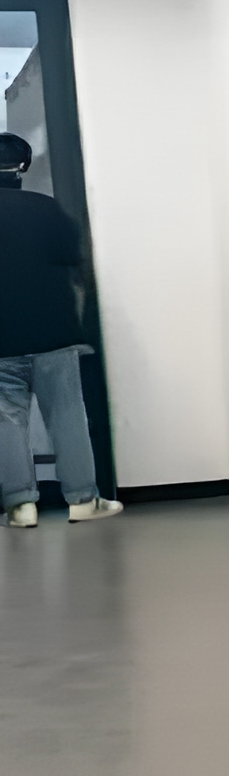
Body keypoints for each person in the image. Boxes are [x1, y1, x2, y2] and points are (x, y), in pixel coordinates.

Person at [0, 132, 120, 528]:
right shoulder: (46, 208)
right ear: (22, 168)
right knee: (68, 416)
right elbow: (75, 261)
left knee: (6, 422)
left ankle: (20, 507)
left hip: (2, 339)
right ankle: (83, 500)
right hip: (55, 332)